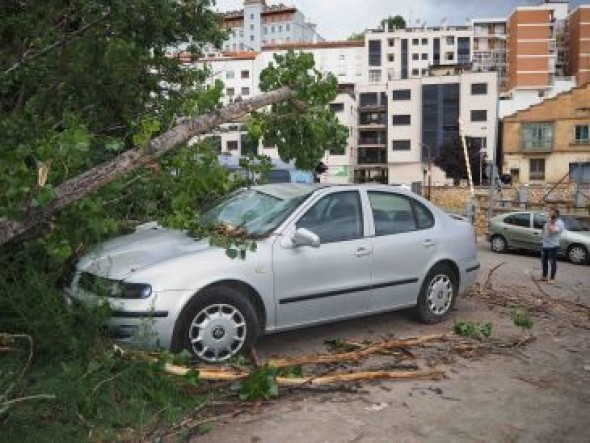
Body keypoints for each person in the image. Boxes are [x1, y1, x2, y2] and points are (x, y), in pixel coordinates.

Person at [541, 208, 565, 283]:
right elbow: (544, 231)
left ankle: (552, 278)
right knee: (544, 261)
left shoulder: (559, 223)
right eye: (550, 213)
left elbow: (553, 231)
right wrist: (542, 238)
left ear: (556, 215)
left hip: (553, 245)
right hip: (545, 244)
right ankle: (544, 276)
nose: (549, 214)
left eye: (551, 213)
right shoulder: (548, 222)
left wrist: (551, 223)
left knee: (552, 262)